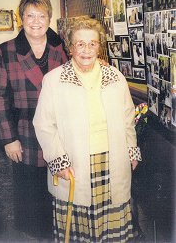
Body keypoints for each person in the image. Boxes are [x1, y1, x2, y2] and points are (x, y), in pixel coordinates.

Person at [33, 17, 142, 242]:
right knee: (79, 226)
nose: (86, 50)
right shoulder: (54, 80)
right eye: (80, 44)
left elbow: (127, 119)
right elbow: (43, 125)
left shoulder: (116, 78)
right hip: (74, 164)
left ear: (99, 46)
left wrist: (132, 151)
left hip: (113, 160)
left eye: (92, 43)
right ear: (70, 47)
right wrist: (58, 161)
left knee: (111, 225)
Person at [0, 0, 68, 240]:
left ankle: (61, 230)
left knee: (61, 182)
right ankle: (35, 235)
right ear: (21, 18)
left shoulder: (62, 46)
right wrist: (8, 139)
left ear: (49, 17)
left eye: (41, 15)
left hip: (60, 129)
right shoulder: (6, 51)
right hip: (25, 131)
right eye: (30, 15)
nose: (36, 21)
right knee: (30, 189)